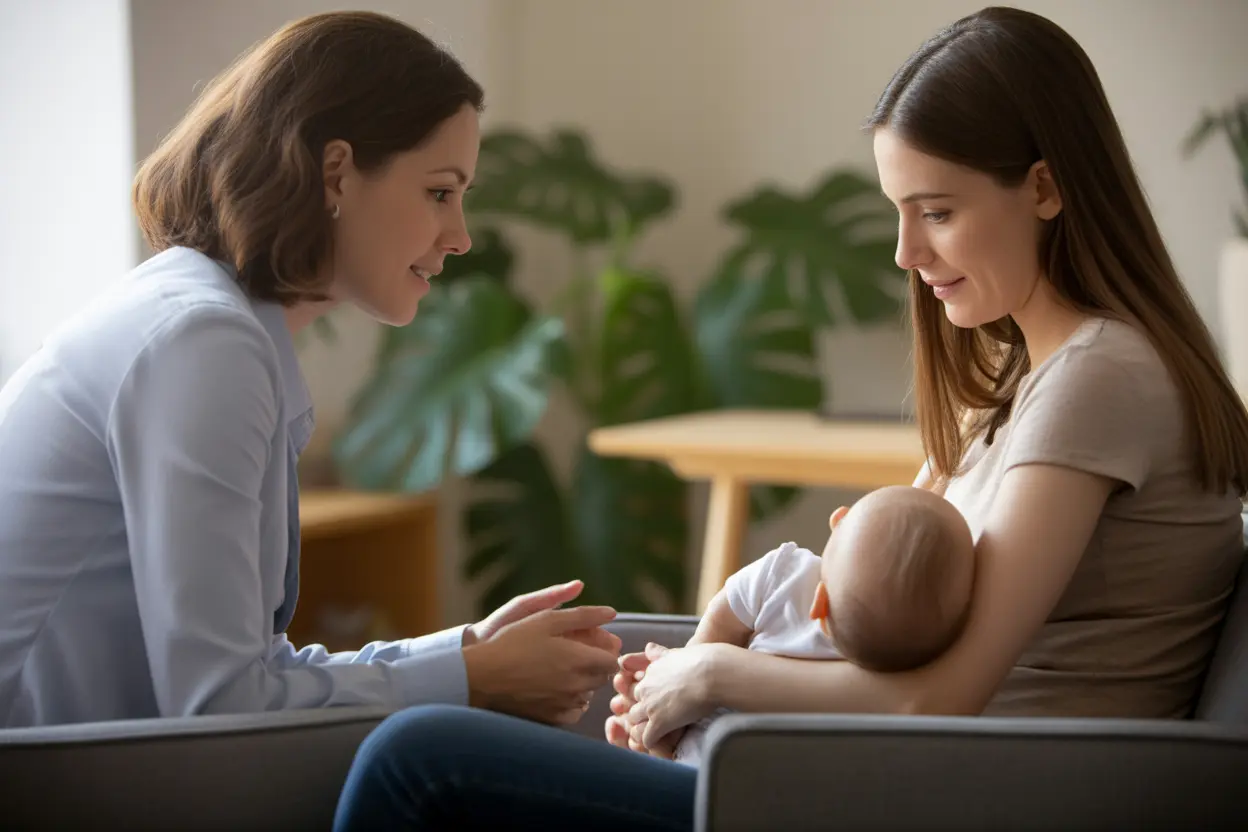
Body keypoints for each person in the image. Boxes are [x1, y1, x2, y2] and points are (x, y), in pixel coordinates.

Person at [329, 6, 1248, 831]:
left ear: (1045, 189)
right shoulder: (1023, 384)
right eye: (899, 212)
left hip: (956, 793)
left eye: (937, 211)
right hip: (872, 771)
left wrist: (712, 674)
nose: (904, 251)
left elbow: (941, 697)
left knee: (418, 760)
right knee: (448, 741)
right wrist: (684, 679)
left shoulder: (1099, 378)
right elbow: (866, 637)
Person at [0, 11, 621, 730]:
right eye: (439, 192)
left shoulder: (208, 322)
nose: (460, 238)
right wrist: (472, 678)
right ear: (337, 174)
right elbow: (224, 709)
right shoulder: (204, 344)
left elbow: (249, 679)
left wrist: (469, 651)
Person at [671, 484, 975, 766]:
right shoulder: (896, 678)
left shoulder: (783, 575)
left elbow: (713, 628)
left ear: (819, 605)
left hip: (700, 757)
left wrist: (668, 685)